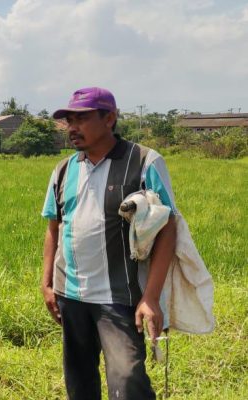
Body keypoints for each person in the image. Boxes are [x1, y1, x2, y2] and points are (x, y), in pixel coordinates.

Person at [40, 87, 177, 400]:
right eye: (69, 120)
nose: (72, 127)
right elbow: (54, 227)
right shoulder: (63, 170)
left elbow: (168, 230)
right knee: (80, 383)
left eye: (82, 118)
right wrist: (46, 283)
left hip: (120, 296)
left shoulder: (143, 163)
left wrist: (152, 298)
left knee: (128, 379)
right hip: (71, 295)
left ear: (109, 119)